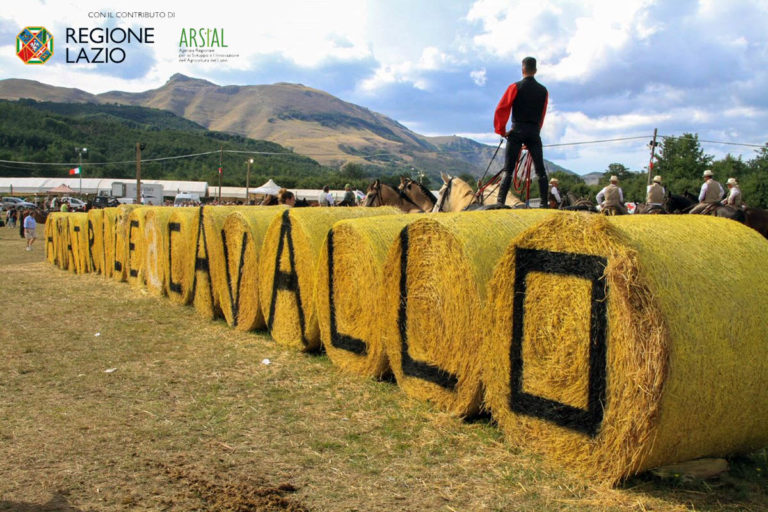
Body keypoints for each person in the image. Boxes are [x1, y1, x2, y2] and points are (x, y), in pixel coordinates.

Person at [494, 56, 549, 207]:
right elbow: (542, 114)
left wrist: (501, 130)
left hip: (517, 130)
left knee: (508, 169)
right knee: (540, 170)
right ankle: (544, 204)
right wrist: (535, 132)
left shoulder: (515, 87)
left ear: (522, 69)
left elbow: (502, 108)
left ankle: (500, 202)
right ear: (535, 70)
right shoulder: (543, 91)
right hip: (533, 131)